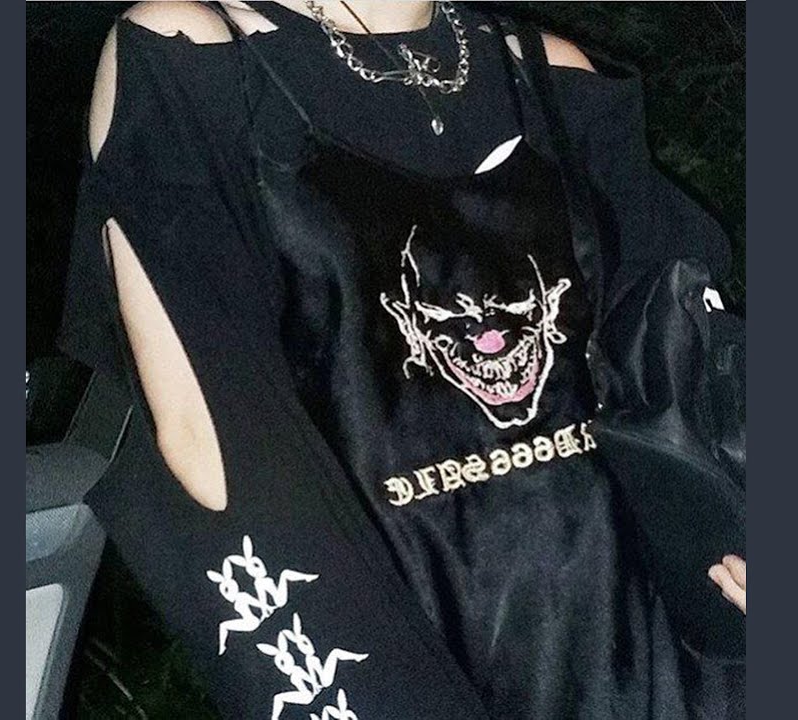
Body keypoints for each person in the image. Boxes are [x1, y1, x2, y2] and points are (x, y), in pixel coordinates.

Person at [57, 2, 746, 718]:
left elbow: (682, 366)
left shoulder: (547, 72)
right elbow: (208, 447)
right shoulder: (195, 54)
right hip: (399, 659)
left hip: (669, 665)